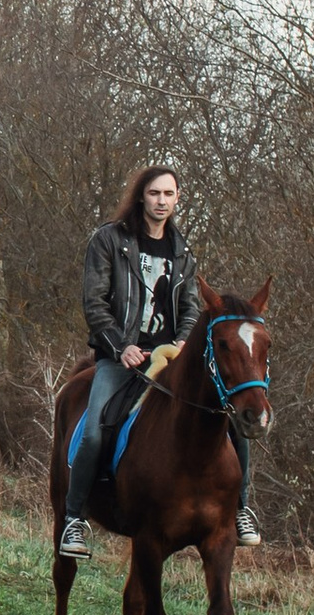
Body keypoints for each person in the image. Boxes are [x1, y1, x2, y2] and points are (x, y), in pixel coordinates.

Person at [58, 162, 259, 555]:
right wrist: (121, 346)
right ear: (141, 196)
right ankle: (74, 519)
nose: (161, 201)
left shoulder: (182, 251)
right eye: (154, 193)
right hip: (121, 358)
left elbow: (188, 308)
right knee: (96, 430)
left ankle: (243, 507)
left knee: (230, 417)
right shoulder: (108, 241)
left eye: (168, 194)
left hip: (169, 360)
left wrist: (183, 343)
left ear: (178, 198)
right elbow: (94, 303)